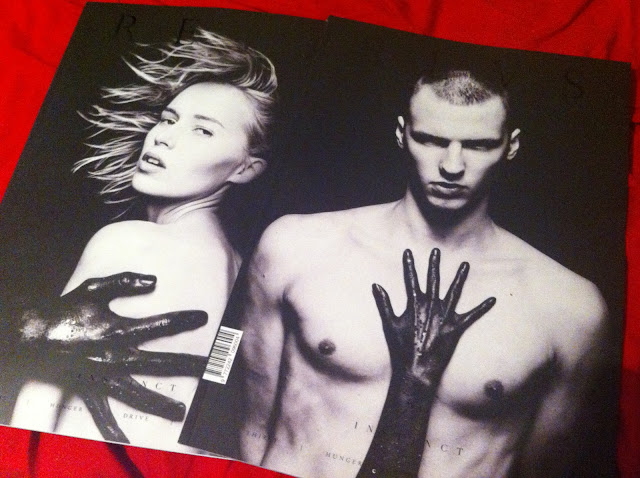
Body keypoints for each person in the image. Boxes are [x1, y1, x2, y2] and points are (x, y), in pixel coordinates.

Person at [238, 68, 608, 477]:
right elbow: (251, 429)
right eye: (431, 140)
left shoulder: (569, 305)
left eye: (479, 145)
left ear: (511, 146)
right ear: (402, 134)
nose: (452, 165)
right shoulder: (296, 246)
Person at [10, 29, 277, 452]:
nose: (162, 136)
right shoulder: (241, 272)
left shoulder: (129, 242)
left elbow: (36, 404)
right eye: (168, 119)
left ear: (245, 169)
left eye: (203, 131)